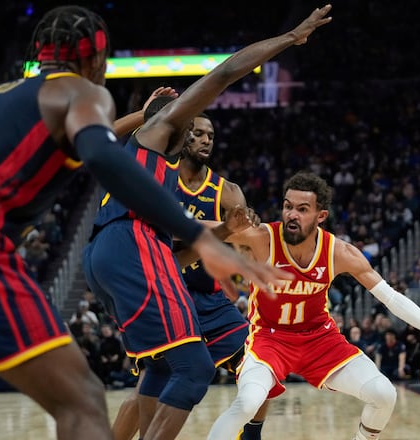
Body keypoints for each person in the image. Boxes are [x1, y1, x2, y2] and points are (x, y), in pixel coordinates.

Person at [0, 6, 287, 440]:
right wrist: (201, 235)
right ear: (96, 62)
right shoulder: (81, 92)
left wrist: (141, 119)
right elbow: (102, 152)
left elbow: (95, 138)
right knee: (83, 400)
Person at [82, 6, 333, 440]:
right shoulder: (158, 133)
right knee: (194, 368)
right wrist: (290, 37)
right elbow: (225, 72)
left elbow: (181, 251)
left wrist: (226, 232)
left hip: (115, 257)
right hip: (132, 247)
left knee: (163, 371)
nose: (196, 135)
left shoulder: (147, 167)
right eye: (191, 126)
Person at [206, 172, 420, 440]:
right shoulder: (263, 238)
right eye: (288, 206)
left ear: (320, 216)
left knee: (384, 393)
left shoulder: (339, 252)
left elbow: (389, 296)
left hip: (320, 340)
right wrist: (168, 217)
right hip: (269, 339)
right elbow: (195, 229)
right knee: (248, 403)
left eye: (302, 209)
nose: (291, 215)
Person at [108, 112, 270, 440]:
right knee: (145, 395)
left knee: (261, 365)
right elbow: (171, 251)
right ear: (183, 137)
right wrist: (222, 234)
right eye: (197, 133)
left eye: (210, 134)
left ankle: (251, 436)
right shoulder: (159, 182)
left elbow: (245, 246)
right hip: (166, 297)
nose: (206, 139)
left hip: (211, 300)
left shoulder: (228, 192)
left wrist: (248, 242)